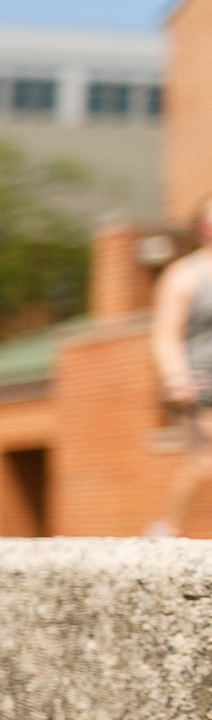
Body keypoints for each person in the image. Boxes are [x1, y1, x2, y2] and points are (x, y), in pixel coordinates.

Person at [148, 201, 212, 536]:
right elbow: (165, 334)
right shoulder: (185, 275)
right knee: (204, 464)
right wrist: (176, 378)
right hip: (200, 384)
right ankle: (168, 531)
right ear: (203, 227)